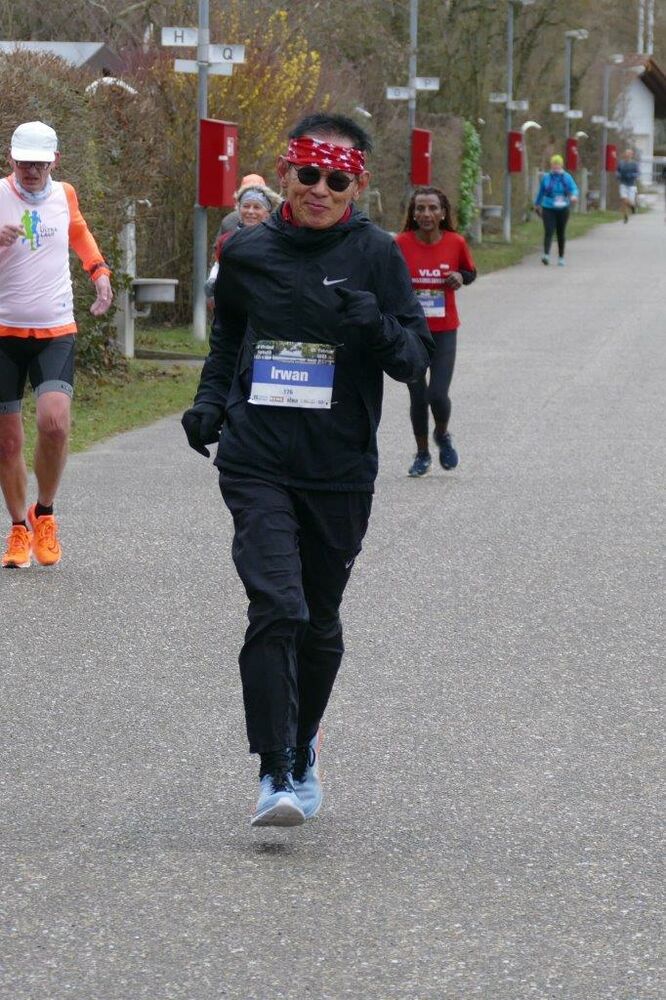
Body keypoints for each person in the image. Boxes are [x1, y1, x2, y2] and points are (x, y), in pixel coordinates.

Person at [182, 112, 433, 828]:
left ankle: (302, 741)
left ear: (357, 185)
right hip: (257, 456)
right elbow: (229, 333)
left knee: (319, 621)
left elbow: (413, 359)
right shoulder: (247, 250)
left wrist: (374, 325)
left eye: (337, 180)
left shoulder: (377, 255)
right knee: (278, 607)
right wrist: (210, 403)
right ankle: (275, 770)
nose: (320, 189)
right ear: (286, 172)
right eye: (309, 174)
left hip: (339, 466)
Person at [0, 121, 112, 569]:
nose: (31, 171)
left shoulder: (65, 195)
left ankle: (43, 513)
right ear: (11, 159)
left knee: (54, 424)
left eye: (40, 164)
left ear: (55, 162)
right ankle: (17, 529)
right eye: (24, 163)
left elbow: (78, 232)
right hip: (4, 332)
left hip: (55, 329)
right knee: (7, 442)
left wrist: (99, 271)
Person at [395, 186, 476, 477]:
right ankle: (422, 454)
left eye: (432, 208)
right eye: (420, 208)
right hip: (411, 333)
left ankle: (442, 434)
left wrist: (459, 277)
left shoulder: (455, 242)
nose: (426, 213)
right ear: (413, 213)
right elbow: (388, 279)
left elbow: (470, 272)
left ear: (443, 213)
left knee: (437, 395)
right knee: (418, 396)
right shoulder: (401, 243)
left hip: (443, 331)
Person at [204, 175, 281, 301]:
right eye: (246, 206)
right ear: (239, 207)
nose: (250, 212)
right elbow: (218, 260)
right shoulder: (228, 230)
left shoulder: (277, 238)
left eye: (257, 207)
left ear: (267, 212)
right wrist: (212, 283)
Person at [534, 154, 579, 266]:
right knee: (549, 231)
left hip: (563, 208)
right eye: (554, 164)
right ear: (551, 165)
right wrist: (537, 204)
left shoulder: (567, 177)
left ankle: (561, 257)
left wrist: (574, 196)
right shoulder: (546, 177)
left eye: (557, 164)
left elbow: (574, 188)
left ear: (561, 165)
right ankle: (546, 255)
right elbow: (541, 192)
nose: (555, 167)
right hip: (548, 207)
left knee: (560, 232)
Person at [616, 148, 640, 224]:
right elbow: (617, 170)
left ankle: (633, 207)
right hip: (623, 183)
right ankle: (625, 216)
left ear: (632, 155)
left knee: (630, 202)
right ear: (624, 154)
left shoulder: (634, 164)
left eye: (629, 154)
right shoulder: (621, 163)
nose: (628, 155)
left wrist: (632, 175)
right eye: (626, 153)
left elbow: (638, 173)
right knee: (624, 200)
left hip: (632, 185)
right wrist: (618, 175)